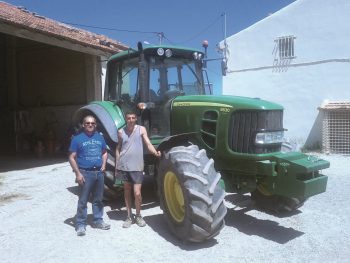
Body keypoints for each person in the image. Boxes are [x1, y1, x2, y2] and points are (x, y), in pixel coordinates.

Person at [115, 112, 161, 228]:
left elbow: (148, 144)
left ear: (136, 119)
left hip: (137, 166)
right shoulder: (121, 132)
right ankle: (129, 216)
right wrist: (117, 164)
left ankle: (138, 215)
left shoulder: (141, 129)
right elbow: (118, 148)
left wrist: (156, 153)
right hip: (124, 165)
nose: (130, 120)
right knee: (127, 191)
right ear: (126, 119)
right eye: (128, 118)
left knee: (137, 193)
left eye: (133, 118)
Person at [68, 115, 111, 236]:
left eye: (92, 123)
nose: (90, 125)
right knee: (83, 200)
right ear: (83, 125)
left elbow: (104, 152)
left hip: (99, 173)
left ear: (95, 125)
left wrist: (103, 165)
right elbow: (71, 157)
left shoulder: (100, 138)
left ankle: (97, 220)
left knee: (98, 199)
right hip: (85, 173)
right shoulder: (77, 139)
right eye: (87, 123)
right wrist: (78, 173)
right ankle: (80, 224)